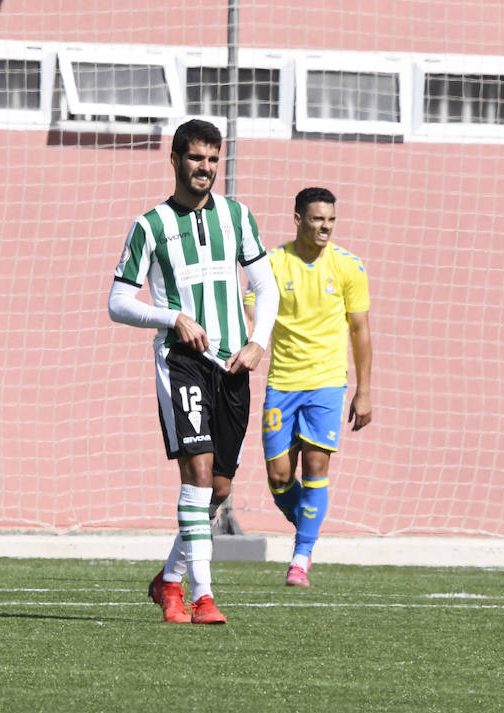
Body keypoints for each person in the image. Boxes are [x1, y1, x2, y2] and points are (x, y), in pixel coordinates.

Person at [108, 119, 279, 624]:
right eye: (195, 158)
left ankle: (168, 580)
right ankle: (202, 597)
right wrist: (172, 318)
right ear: (176, 159)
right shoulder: (150, 226)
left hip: (233, 363)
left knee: (220, 489)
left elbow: (266, 287)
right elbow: (118, 302)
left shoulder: (237, 216)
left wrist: (256, 343)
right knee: (198, 473)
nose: (204, 168)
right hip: (182, 361)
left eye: (212, 159)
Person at [253, 187, 372, 588]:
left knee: (316, 466)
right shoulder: (272, 262)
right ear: (299, 219)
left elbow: (360, 330)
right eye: (318, 219)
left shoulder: (348, 266)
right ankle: (308, 519)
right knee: (279, 475)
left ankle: (301, 557)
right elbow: (252, 306)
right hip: (282, 382)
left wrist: (364, 389)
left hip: (327, 382)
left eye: (331, 220)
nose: (326, 227)